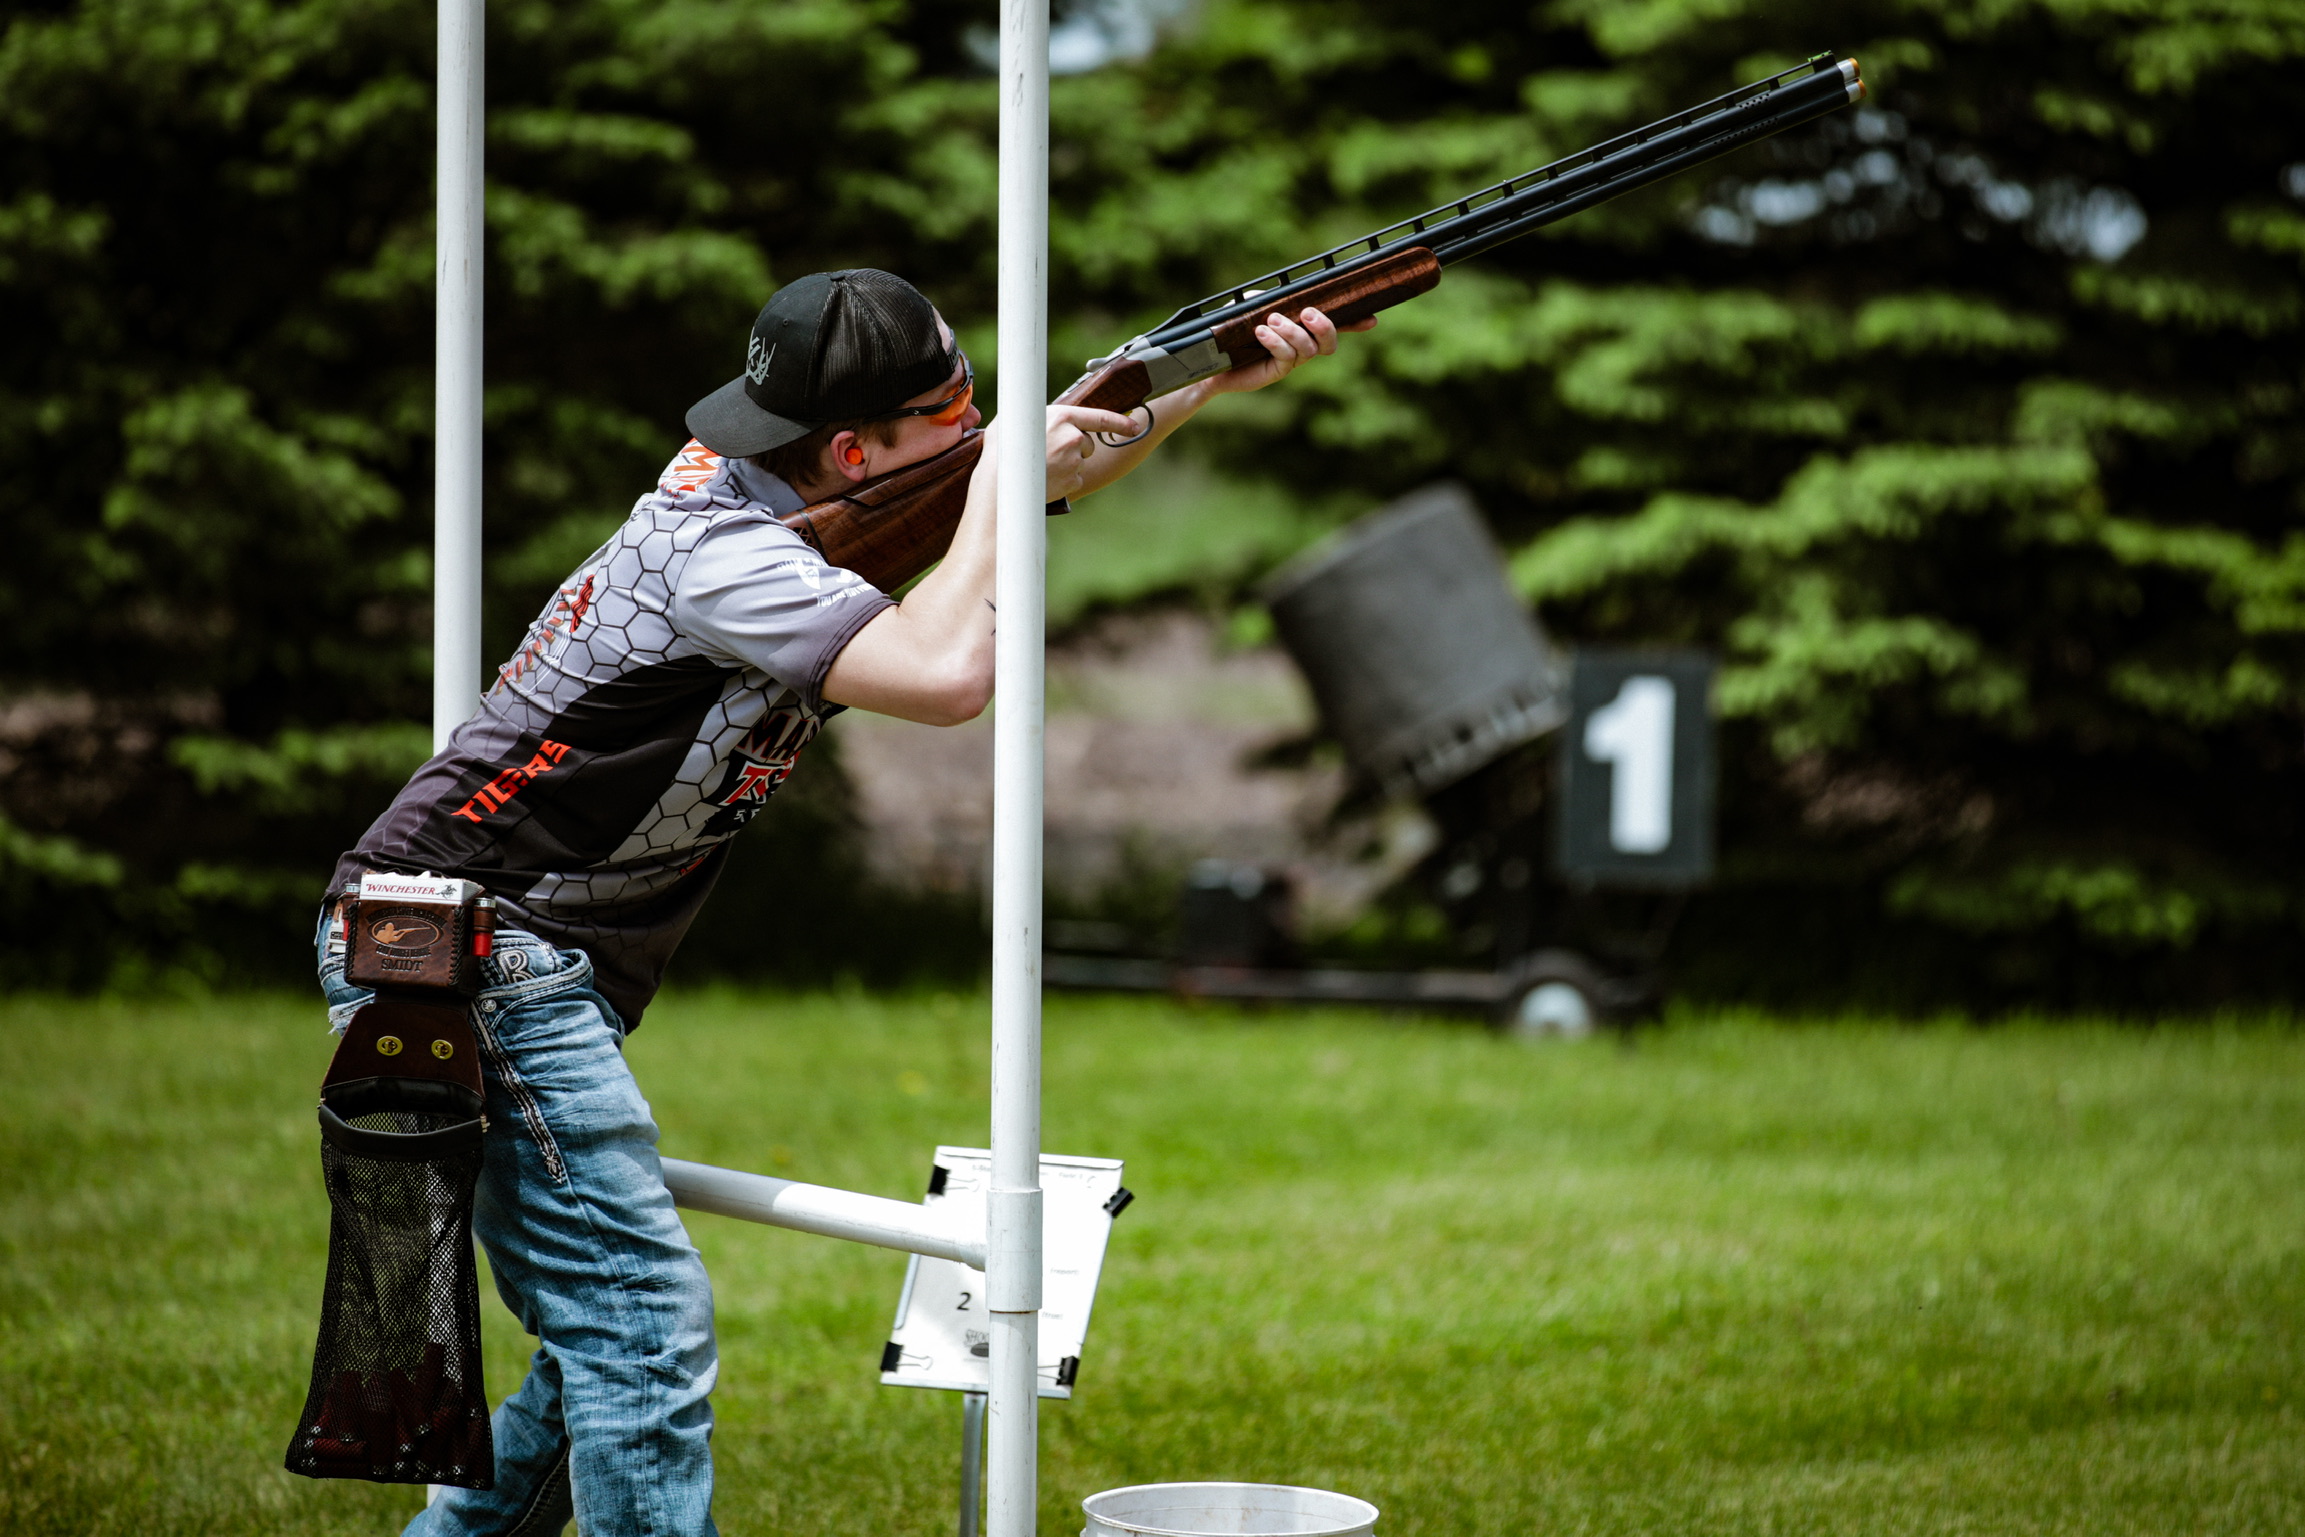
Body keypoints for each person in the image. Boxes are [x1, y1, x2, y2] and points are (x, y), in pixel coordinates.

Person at [319, 267, 1363, 1537]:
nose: (977, 429)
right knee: (639, 1330)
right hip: (468, 942)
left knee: (603, 1332)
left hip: (505, 941)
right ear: (855, 451)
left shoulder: (786, 488)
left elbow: (1034, 475)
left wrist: (1202, 382)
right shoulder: (720, 553)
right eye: (952, 415)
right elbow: (946, 673)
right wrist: (999, 475)